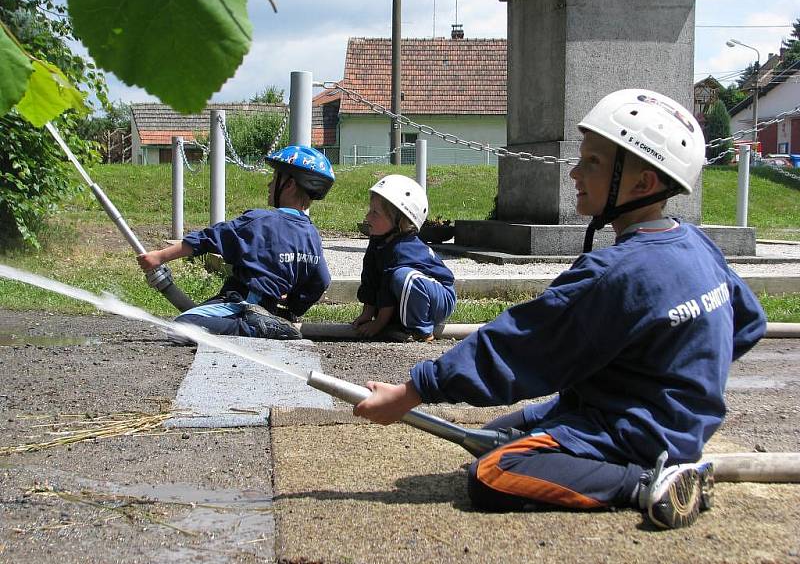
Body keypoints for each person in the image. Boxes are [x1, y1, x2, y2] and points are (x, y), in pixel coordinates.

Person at [354, 89, 767, 529]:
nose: (574, 172)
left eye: (592, 162)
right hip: (664, 418)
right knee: (498, 433)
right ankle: (644, 455)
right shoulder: (696, 244)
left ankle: (649, 481)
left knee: (494, 473)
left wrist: (412, 392)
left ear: (642, 184)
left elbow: (523, 343)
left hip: (635, 433)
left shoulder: (617, 272)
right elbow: (747, 323)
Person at [137, 145, 335, 340]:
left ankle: (255, 329)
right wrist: (292, 307)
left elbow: (209, 238)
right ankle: (267, 324)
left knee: (183, 326)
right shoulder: (311, 234)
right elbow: (321, 280)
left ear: (289, 184)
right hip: (267, 307)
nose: (269, 185)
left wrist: (160, 256)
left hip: (244, 304)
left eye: (274, 178)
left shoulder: (260, 222)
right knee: (200, 315)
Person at [352, 174, 456, 342]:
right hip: (411, 295)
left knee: (403, 277)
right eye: (370, 210)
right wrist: (367, 313)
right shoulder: (378, 240)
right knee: (398, 278)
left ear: (400, 222)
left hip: (439, 298)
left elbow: (387, 285)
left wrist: (378, 324)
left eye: (375, 213)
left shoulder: (402, 249)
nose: (367, 217)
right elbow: (370, 277)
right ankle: (400, 323)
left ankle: (421, 330)